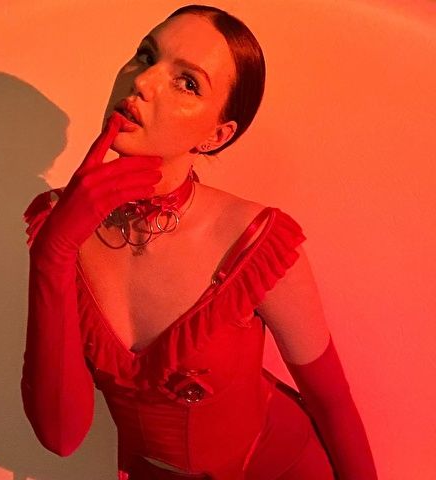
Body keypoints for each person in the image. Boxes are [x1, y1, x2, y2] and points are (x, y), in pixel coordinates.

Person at [20, 5, 378, 479]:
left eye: (187, 83)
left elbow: (332, 404)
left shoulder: (258, 240)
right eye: (146, 55)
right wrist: (56, 247)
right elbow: (61, 436)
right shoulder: (56, 224)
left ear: (216, 135)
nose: (142, 82)